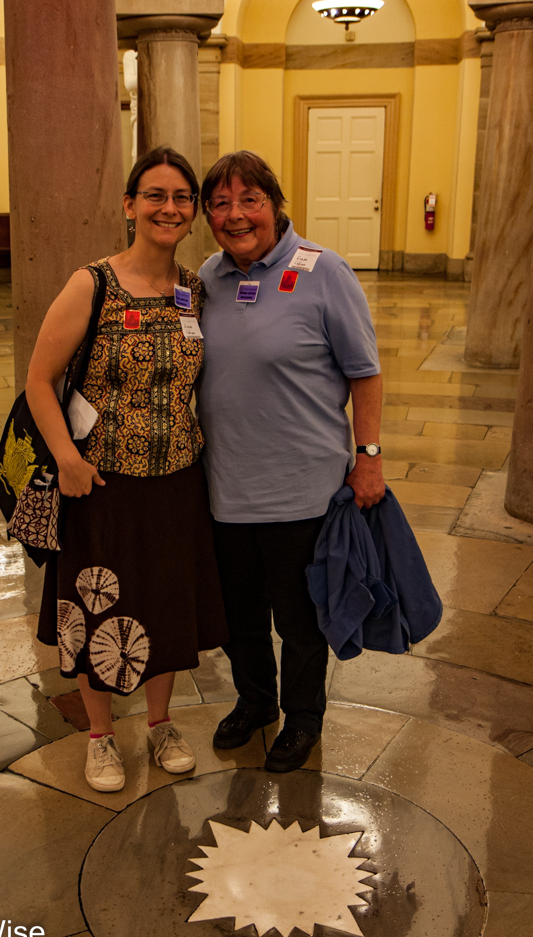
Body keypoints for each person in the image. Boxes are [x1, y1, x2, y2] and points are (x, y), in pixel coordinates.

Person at [26, 146, 228, 793]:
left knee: (165, 606)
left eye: (180, 198)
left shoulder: (192, 290)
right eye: (155, 195)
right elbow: (39, 379)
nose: (169, 208)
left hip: (176, 481)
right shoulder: (94, 284)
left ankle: (161, 723)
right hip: (103, 486)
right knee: (99, 608)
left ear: (191, 211)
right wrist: (67, 459)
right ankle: (101, 736)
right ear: (130, 205)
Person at [196, 150, 385, 773]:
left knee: (302, 619)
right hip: (225, 487)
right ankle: (256, 701)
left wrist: (369, 457)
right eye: (220, 203)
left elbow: (365, 373)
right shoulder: (208, 278)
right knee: (238, 614)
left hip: (302, 490)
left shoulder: (324, 271)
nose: (236, 215)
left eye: (250, 200)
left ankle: (303, 716)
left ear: (275, 205)